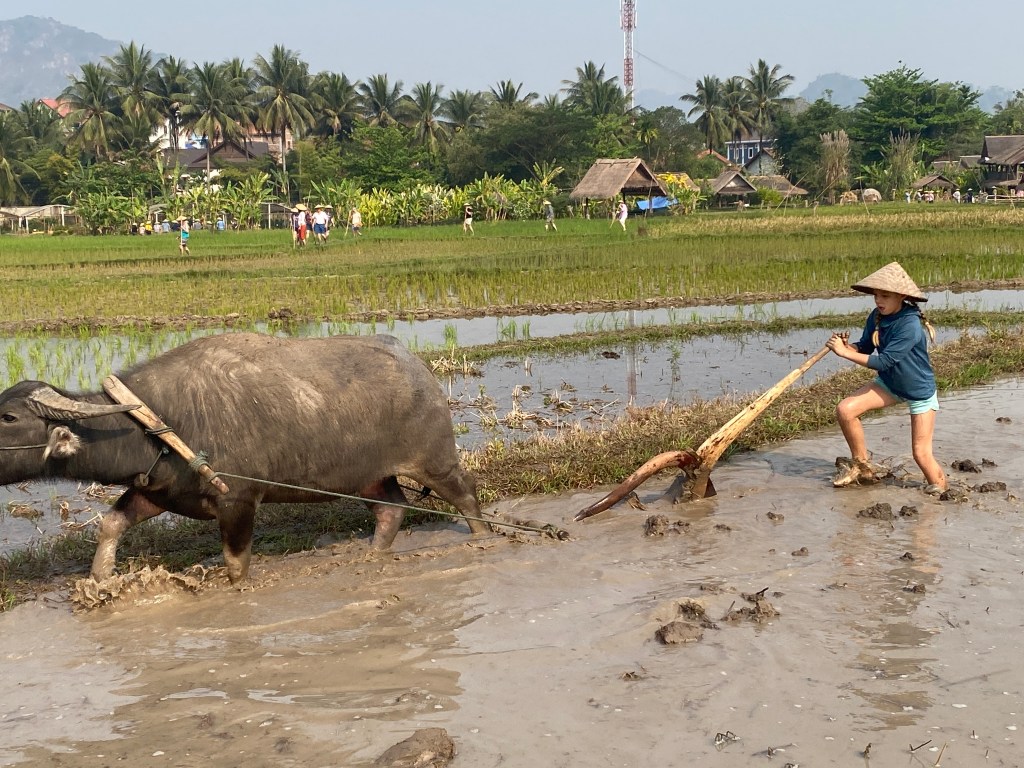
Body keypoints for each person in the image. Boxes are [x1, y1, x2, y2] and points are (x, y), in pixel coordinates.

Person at [825, 261, 946, 494]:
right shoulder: (877, 316)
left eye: (885, 296)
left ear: (901, 296)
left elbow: (884, 361)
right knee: (845, 410)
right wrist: (848, 346)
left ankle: (942, 494)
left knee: (920, 453)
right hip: (890, 384)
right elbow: (866, 346)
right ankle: (862, 466)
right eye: (876, 295)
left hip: (918, 391)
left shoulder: (910, 325)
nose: (878, 301)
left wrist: (845, 353)